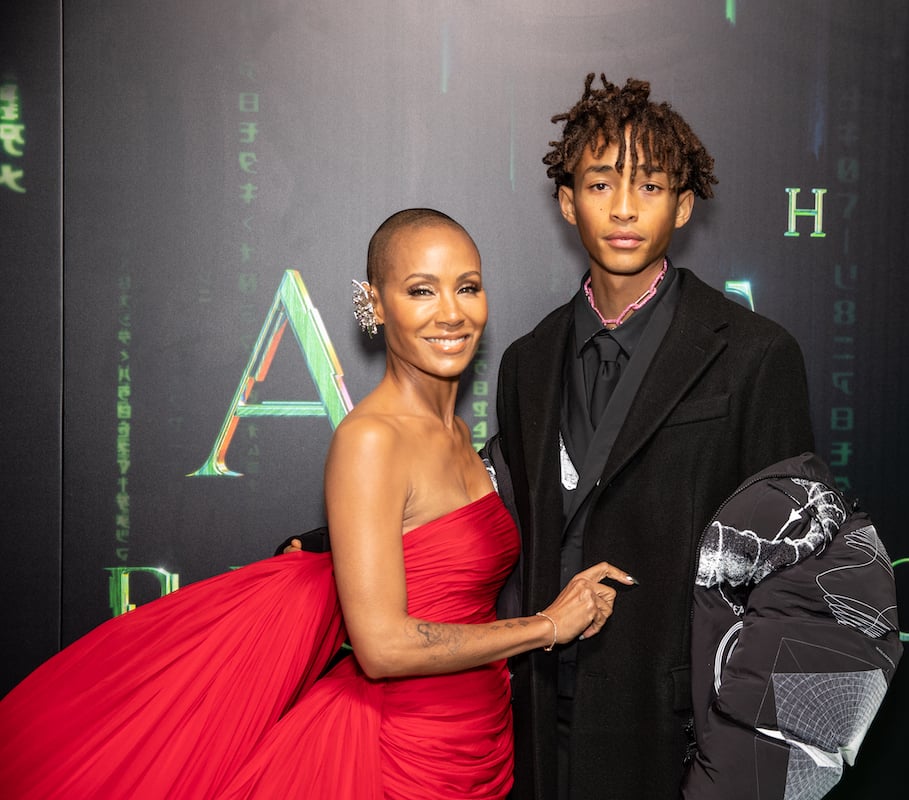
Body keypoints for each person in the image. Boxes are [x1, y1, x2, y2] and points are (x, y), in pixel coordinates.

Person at [0, 208, 634, 800]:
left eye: (467, 287)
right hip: (395, 756)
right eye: (420, 290)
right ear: (375, 304)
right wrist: (548, 626)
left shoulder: (464, 441)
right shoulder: (370, 439)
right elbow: (382, 647)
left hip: (480, 741)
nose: (451, 313)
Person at [495, 75, 816, 800]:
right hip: (542, 718)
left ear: (683, 203)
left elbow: (791, 574)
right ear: (567, 200)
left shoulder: (755, 353)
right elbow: (494, 496)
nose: (625, 208)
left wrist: (747, 755)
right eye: (603, 183)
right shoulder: (528, 361)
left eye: (650, 185)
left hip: (679, 727)